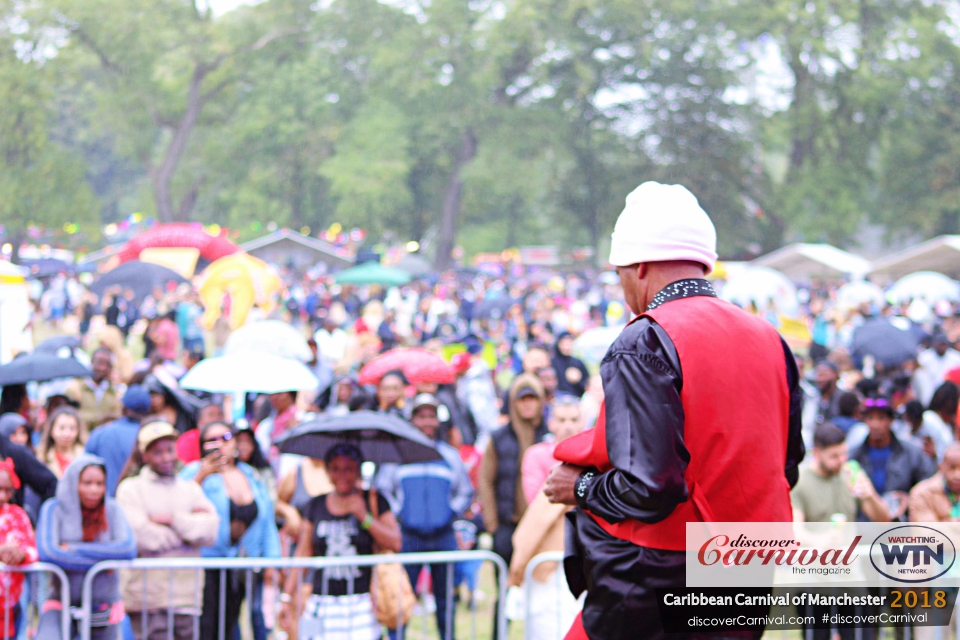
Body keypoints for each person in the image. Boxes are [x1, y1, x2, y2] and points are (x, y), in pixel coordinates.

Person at [543, 182, 804, 640]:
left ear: (638, 266)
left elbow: (651, 487)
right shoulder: (769, 339)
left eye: (620, 273)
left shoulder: (645, 340)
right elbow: (787, 466)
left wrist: (580, 486)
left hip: (659, 573)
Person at [376, 394, 473, 640]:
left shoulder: (450, 456)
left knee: (445, 600)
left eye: (431, 416)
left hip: (443, 537)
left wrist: (449, 511)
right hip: (409, 537)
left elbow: (466, 491)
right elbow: (383, 488)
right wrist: (400, 512)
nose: (427, 422)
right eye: (422, 416)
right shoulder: (398, 456)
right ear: (413, 419)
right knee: (402, 598)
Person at [279, 444, 402, 640]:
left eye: (349, 468)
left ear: (358, 470)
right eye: (336, 468)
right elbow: (303, 552)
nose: (342, 475)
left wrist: (365, 517)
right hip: (321, 602)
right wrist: (286, 597)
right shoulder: (316, 505)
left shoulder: (374, 500)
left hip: (361, 603)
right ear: (328, 472)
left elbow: (395, 542)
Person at [116, 421, 219, 640]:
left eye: (169, 450)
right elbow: (141, 536)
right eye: (157, 452)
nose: (166, 458)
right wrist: (187, 536)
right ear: (144, 455)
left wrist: (173, 520)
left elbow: (211, 530)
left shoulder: (189, 489)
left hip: (186, 597)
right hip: (147, 598)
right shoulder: (130, 489)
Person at [179, 421, 281, 640]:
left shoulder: (250, 473)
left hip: (243, 566)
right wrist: (201, 476)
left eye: (224, 438)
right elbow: (177, 507)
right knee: (206, 628)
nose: (219, 445)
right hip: (206, 567)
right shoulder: (194, 471)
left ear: (235, 442)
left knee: (232, 626)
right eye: (211, 440)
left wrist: (273, 561)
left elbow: (266, 519)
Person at [36, 455, 138, 640]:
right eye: (87, 483)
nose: (94, 490)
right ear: (73, 482)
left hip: (103, 604)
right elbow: (48, 552)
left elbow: (127, 548)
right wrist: (103, 561)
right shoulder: (53, 509)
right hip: (61, 601)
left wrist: (74, 549)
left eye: (99, 484)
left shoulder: (112, 509)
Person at [478, 374, 548, 565]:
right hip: (507, 522)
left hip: (540, 523)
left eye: (532, 399)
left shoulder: (549, 435)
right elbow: (485, 480)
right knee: (505, 580)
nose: (527, 405)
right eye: (522, 399)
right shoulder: (499, 438)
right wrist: (492, 523)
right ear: (513, 402)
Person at [848, 395, 936, 520]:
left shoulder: (912, 453)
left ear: (891, 421)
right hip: (864, 524)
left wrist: (909, 500)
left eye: (881, 418)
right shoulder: (853, 455)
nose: (875, 424)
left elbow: (928, 485)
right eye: (870, 418)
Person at [792, 423, 890, 525]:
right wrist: (819, 540)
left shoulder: (851, 474)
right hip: (817, 540)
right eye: (834, 456)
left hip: (851, 541)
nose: (842, 460)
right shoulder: (800, 481)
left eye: (844, 453)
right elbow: (796, 530)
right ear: (816, 453)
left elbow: (884, 521)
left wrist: (870, 496)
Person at [85, 385, 152, 497]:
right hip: (140, 504)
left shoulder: (101, 433)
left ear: (124, 408)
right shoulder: (151, 436)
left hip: (104, 503)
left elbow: (84, 468)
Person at [521, 395, 584, 505]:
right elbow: (535, 500)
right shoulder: (536, 455)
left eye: (574, 420)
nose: (568, 426)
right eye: (561, 420)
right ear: (551, 424)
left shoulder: (591, 456)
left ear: (582, 423)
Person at [0, 458, 38, 639]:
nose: (2, 496)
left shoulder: (18, 514)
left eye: (7, 490)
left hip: (11, 607)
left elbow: (33, 550)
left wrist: (20, 555)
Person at [65, 348, 123, 439]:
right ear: (92, 363)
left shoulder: (114, 392)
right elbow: (68, 415)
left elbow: (117, 416)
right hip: (78, 437)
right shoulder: (76, 388)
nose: (103, 368)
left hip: (104, 438)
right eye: (99, 363)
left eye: (107, 365)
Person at [37, 406, 84, 479]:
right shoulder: (42, 456)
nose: (67, 434)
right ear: (51, 430)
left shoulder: (83, 455)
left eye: (72, 428)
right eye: (61, 428)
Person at [914, 333, 960, 406]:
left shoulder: (956, 357)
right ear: (935, 343)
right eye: (940, 344)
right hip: (930, 395)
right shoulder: (924, 358)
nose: (942, 347)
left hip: (950, 396)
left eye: (944, 344)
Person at [551, 332, 589, 398]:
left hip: (575, 398)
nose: (566, 347)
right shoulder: (552, 362)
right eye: (563, 344)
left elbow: (587, 385)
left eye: (569, 343)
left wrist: (578, 380)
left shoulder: (577, 362)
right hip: (557, 397)